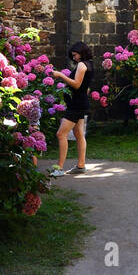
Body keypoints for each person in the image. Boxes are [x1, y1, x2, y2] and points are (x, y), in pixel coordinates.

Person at [49, 41, 93, 176]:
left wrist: (61, 75)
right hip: (80, 104)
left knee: (61, 134)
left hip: (76, 106)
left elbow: (77, 84)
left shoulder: (82, 65)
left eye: (75, 55)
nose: (74, 58)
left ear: (81, 53)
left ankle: (59, 168)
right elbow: (86, 88)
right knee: (79, 135)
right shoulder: (89, 65)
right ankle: (80, 166)